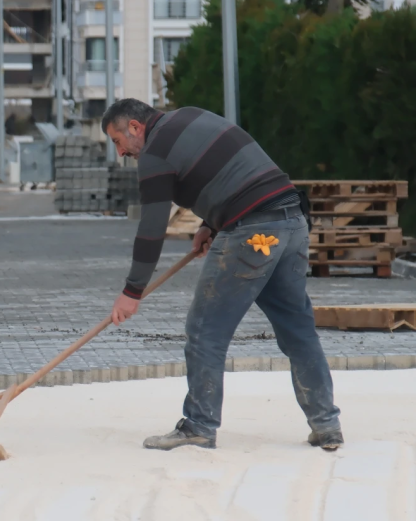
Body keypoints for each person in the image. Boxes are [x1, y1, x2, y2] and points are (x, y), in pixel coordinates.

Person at [103, 99, 342, 451]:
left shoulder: (154, 153)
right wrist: (210, 223)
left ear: (135, 128)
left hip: (253, 234)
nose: (121, 152)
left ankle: (199, 425)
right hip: (292, 223)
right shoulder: (191, 116)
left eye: (117, 141)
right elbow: (231, 169)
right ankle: (326, 425)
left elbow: (152, 228)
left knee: (204, 330)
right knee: (297, 329)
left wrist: (132, 291)